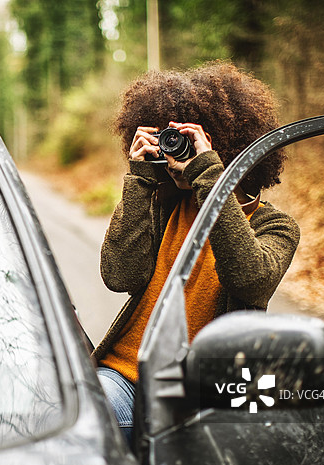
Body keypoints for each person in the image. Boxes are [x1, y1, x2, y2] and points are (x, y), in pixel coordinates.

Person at [93, 62, 300, 444]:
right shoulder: (163, 202)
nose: (176, 155)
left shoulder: (276, 227)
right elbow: (118, 276)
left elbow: (249, 279)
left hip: (196, 399)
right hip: (122, 376)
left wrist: (209, 175)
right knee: (77, 418)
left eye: (189, 142)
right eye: (168, 140)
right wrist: (140, 178)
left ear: (227, 147)